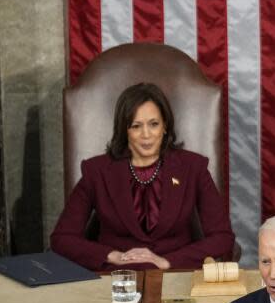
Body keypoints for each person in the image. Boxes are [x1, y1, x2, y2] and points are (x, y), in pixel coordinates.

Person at [50, 83, 235, 270]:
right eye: (136, 126)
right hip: (116, 277)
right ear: (124, 130)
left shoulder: (193, 168)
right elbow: (62, 238)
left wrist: (167, 261)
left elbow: (222, 237)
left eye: (154, 124)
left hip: (176, 274)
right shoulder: (97, 171)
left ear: (165, 126)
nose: (146, 135)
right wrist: (113, 256)